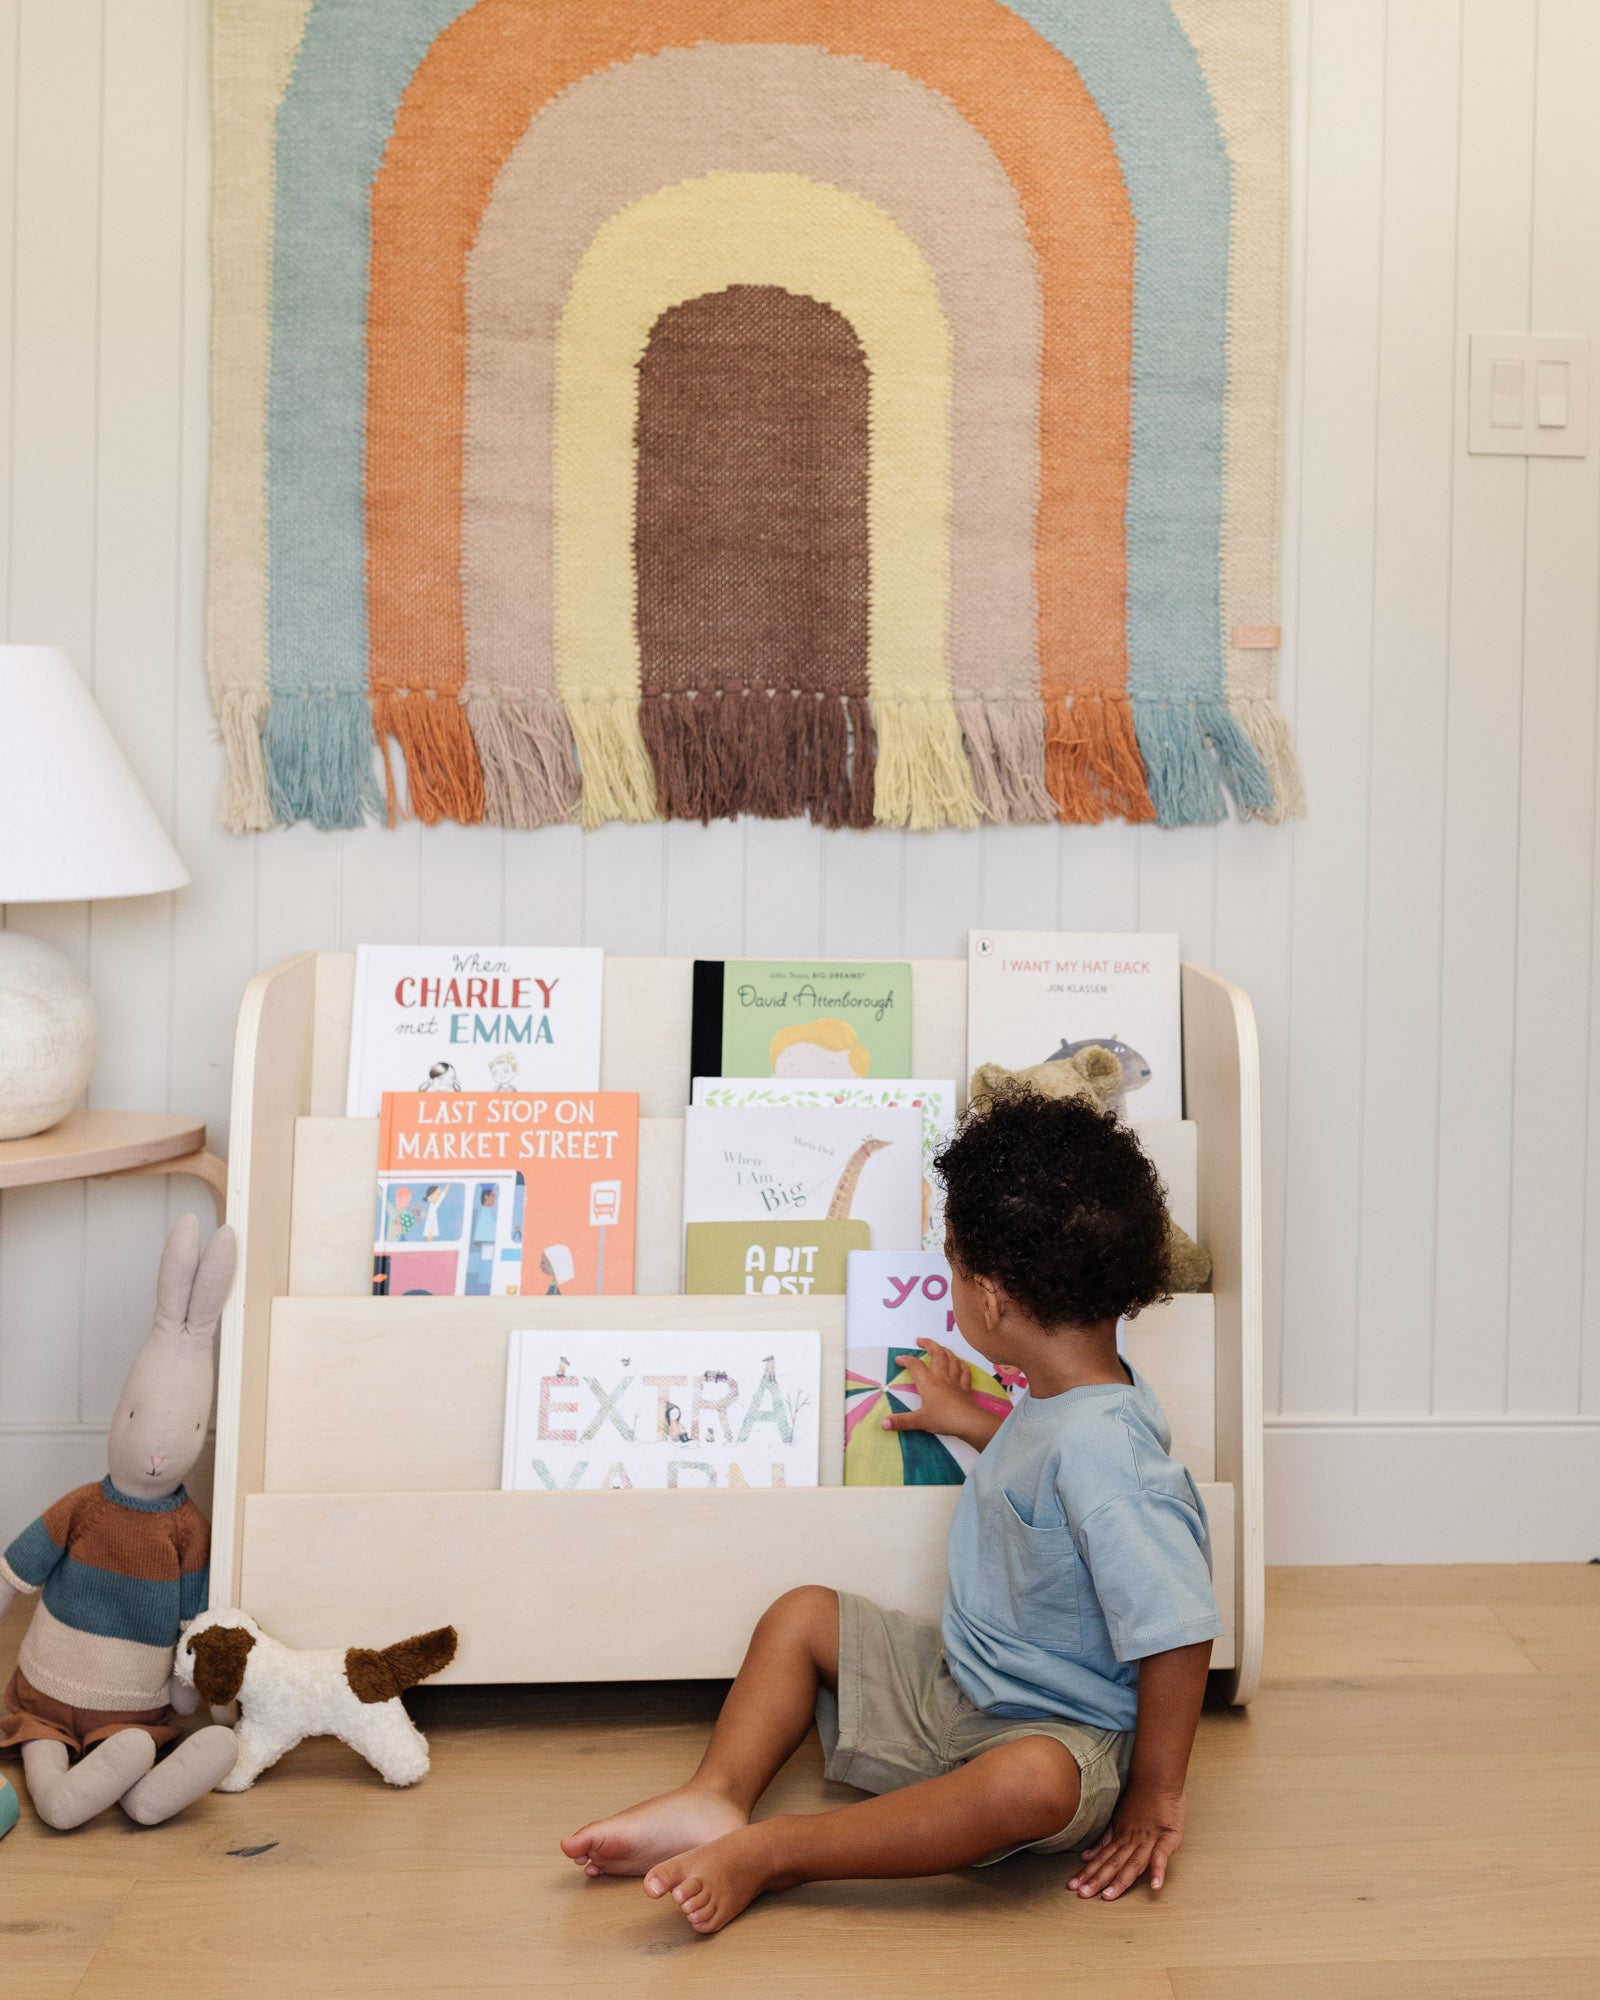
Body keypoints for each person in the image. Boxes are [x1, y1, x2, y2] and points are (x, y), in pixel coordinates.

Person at [562, 1085, 1221, 1933]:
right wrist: (974, 1420)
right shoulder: (1070, 1394)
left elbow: (1179, 1626)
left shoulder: (1112, 1454)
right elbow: (1052, 1479)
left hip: (1060, 1733)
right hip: (964, 1677)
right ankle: (713, 1798)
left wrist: (1155, 1796)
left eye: (946, 1259)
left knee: (1033, 1786)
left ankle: (781, 1851)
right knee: (804, 1615)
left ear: (989, 1298)